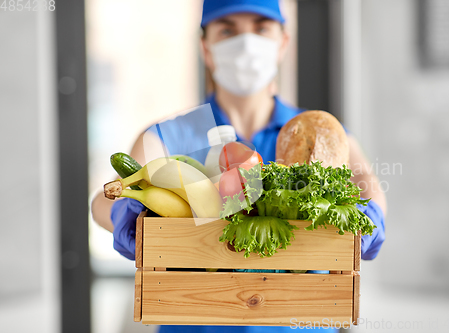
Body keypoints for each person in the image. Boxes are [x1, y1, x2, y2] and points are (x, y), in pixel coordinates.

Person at [91, 0, 387, 331]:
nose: (246, 44)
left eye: (261, 28)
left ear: (283, 42)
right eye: (228, 30)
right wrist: (124, 214)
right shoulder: (168, 136)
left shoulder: (320, 134)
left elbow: (364, 179)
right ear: (206, 47)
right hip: (197, 322)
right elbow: (104, 199)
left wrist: (371, 216)